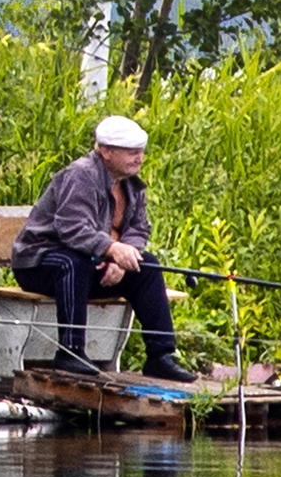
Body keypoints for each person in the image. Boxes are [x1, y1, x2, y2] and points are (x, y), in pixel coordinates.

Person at [12, 115, 192, 381]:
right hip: (39, 262)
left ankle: (160, 356)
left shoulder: (132, 184)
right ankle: (70, 353)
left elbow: (140, 229)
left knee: (148, 265)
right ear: (106, 151)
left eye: (141, 152)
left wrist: (121, 258)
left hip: (93, 261)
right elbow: (72, 229)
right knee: (73, 263)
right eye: (132, 153)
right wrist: (112, 249)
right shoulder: (81, 175)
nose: (139, 158)